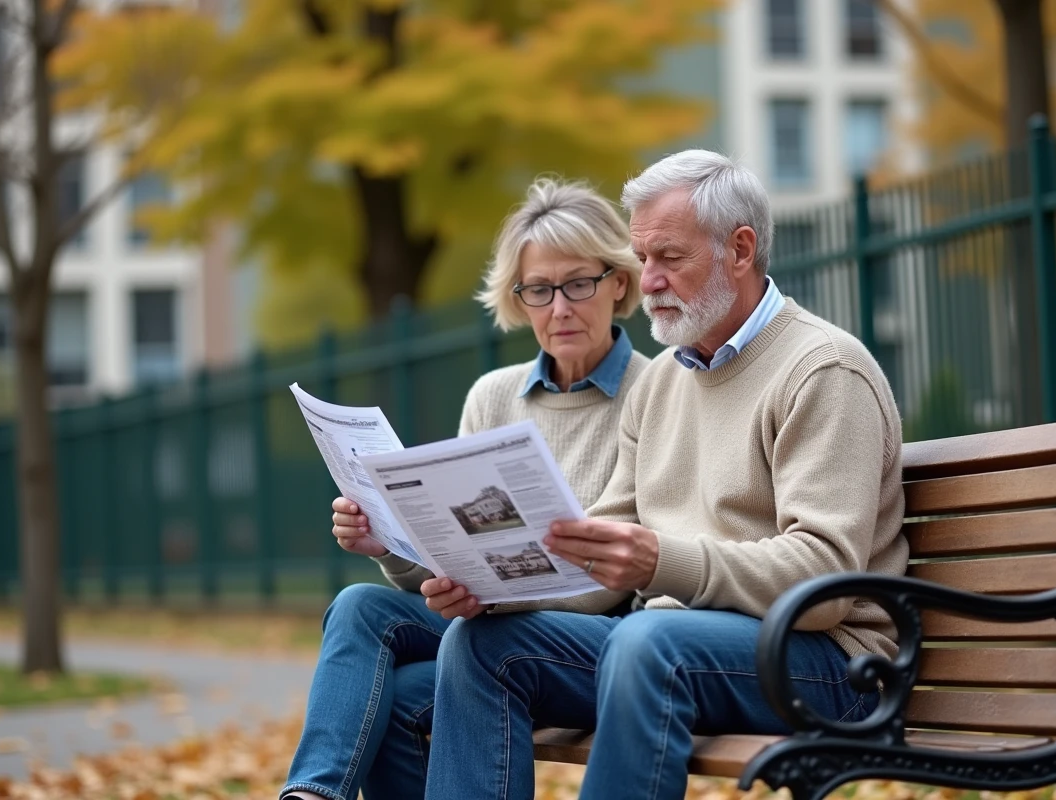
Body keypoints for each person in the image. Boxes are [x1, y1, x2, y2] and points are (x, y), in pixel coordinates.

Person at [423, 150, 910, 800]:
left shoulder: (822, 370)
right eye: (641, 257)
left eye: (667, 258)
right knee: (483, 643)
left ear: (740, 250)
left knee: (648, 638)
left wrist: (663, 562)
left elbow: (826, 587)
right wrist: (499, 589)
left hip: (831, 664)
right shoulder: (664, 385)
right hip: (675, 645)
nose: (645, 279)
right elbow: (603, 544)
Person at [279, 179, 651, 800]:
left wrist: (494, 599)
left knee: (404, 693)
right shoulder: (493, 396)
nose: (559, 307)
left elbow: (613, 577)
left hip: (591, 639)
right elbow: (449, 556)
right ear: (520, 298)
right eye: (539, 289)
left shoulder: (655, 390)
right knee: (357, 606)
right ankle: (311, 794)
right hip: (485, 623)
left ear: (618, 282)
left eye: (578, 282)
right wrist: (388, 544)